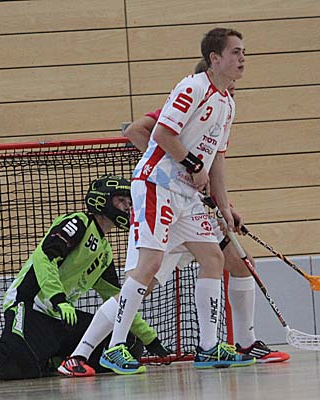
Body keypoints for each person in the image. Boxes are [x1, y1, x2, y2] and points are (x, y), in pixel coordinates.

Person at [93, 27, 257, 375]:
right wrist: (193, 165)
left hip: (187, 196)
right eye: (236, 52)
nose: (243, 58)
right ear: (215, 58)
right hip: (156, 184)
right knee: (150, 264)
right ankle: (114, 347)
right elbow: (162, 133)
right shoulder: (192, 87)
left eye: (244, 52)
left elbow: (218, 161)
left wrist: (224, 207)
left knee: (213, 257)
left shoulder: (228, 103)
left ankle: (208, 347)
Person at [122, 61, 289, 364]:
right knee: (144, 280)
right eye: (229, 86)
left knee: (239, 262)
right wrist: (174, 170)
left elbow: (214, 166)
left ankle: (239, 343)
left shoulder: (224, 110)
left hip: (192, 203)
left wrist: (225, 207)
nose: (232, 92)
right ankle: (88, 349)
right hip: (164, 197)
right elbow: (138, 131)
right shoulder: (192, 103)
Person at [0, 175, 168, 381]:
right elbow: (44, 257)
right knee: (15, 366)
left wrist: (150, 339)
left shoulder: (104, 251)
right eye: (121, 200)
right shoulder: (78, 222)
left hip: (61, 316)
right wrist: (58, 299)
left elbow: (119, 299)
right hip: (29, 305)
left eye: (129, 202)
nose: (127, 207)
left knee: (130, 344)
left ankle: (54, 361)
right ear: (102, 200)